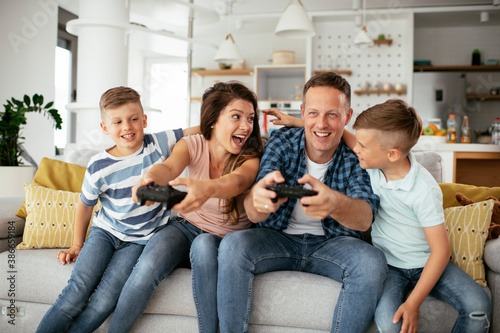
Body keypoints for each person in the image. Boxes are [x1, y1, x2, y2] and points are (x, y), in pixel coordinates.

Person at [217, 72, 387, 333]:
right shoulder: (281, 142)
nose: (322, 124)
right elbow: (253, 214)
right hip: (278, 238)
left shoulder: (357, 157)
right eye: (314, 113)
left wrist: (333, 203)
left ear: (348, 117)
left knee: (372, 261)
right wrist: (258, 200)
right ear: (303, 112)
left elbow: (365, 218)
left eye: (333, 114)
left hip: (333, 245)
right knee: (232, 246)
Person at [36, 86, 199, 333]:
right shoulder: (99, 166)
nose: (127, 127)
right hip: (105, 233)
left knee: (104, 301)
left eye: (134, 119)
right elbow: (84, 206)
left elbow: (193, 130)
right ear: (105, 128)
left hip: (139, 241)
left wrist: (219, 124)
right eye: (118, 122)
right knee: (75, 293)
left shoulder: (157, 143)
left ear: (144, 120)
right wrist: (77, 245)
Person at [106, 81, 264, 333]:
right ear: (213, 120)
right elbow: (168, 168)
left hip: (227, 239)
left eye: (250, 118)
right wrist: (149, 179)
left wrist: (206, 188)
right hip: (186, 226)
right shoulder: (192, 144)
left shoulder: (251, 157)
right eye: (236, 116)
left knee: (203, 246)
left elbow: (236, 182)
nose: (246, 126)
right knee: (146, 268)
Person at [343, 99, 491, 333]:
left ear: (392, 154)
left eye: (362, 145)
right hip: (388, 265)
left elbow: (441, 252)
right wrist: (296, 121)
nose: (356, 149)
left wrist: (413, 303)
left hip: (426, 263)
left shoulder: (423, 189)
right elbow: (340, 133)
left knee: (479, 306)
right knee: (390, 325)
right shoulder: (373, 163)